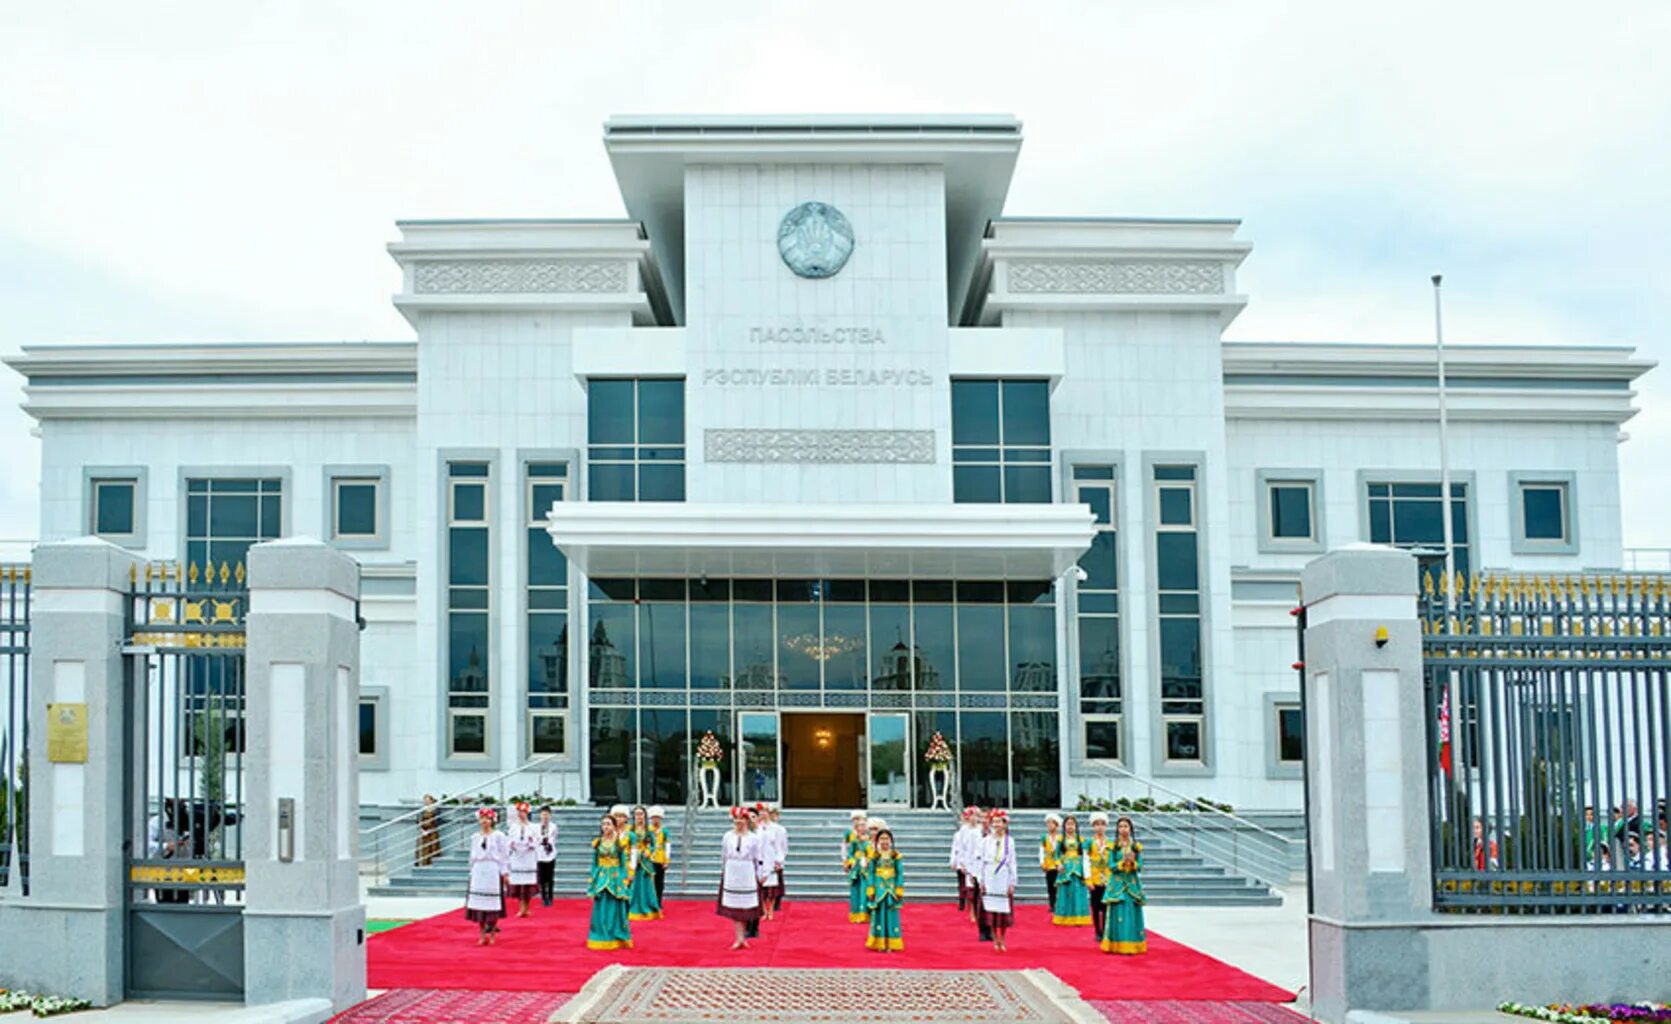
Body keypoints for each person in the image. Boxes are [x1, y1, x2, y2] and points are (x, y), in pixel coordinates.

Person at [718, 807, 763, 950]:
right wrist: (724, 871)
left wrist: (760, 873)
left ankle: (743, 936)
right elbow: (724, 855)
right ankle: (739, 937)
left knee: (745, 905)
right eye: (736, 819)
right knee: (735, 906)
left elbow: (758, 857)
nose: (738, 822)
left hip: (747, 870)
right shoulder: (727, 836)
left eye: (742, 819)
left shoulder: (753, 838)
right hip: (732, 869)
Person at [587, 815, 634, 950]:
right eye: (603, 824)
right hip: (601, 876)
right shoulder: (597, 843)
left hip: (615, 877)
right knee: (601, 907)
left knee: (615, 907)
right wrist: (593, 878)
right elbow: (594, 862)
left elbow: (622, 863)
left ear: (614, 826)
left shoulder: (619, 843)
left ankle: (616, 935)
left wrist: (624, 878)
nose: (606, 827)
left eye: (608, 824)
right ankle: (600, 934)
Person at [1101, 815, 1146, 955]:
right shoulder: (1113, 846)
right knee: (1117, 912)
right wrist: (1121, 864)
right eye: (1120, 826)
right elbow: (1110, 865)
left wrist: (1133, 863)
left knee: (1131, 912)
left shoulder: (1135, 847)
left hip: (1131, 884)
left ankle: (1133, 944)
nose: (1123, 829)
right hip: (1117, 884)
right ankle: (1115, 944)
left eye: (1126, 826)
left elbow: (1140, 866)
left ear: (1130, 829)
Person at [466, 808, 510, 946]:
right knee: (479, 904)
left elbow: (504, 856)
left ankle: (491, 933)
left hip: (492, 869)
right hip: (479, 869)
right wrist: (471, 872)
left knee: (492, 904)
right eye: (482, 818)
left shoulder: (499, 836)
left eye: (487, 818)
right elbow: (472, 856)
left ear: (492, 820)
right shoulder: (475, 837)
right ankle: (481, 934)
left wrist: (505, 873)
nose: (485, 821)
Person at [977, 809, 1017, 952]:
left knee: (1003, 910)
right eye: (994, 822)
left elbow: (1012, 862)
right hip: (989, 875)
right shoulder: (986, 841)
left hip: (1003, 875)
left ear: (1005, 824)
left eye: (999, 822)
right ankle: (995, 938)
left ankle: (1003, 938)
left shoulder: (1009, 841)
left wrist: (1012, 882)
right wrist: (980, 880)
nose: (996, 825)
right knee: (991, 909)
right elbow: (981, 861)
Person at [864, 827, 904, 952]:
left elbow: (900, 873)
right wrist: (871, 889)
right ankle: (879, 943)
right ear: (877, 841)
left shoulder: (896, 855)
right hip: (879, 889)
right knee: (879, 915)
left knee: (891, 915)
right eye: (881, 838)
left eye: (887, 838)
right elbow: (870, 873)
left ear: (891, 840)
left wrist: (899, 889)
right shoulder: (874, 856)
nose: (884, 841)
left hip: (891, 890)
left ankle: (892, 943)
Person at [1052, 814, 1091, 926]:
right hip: (1065, 868)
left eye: (1072, 824)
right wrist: (1058, 864)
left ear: (1076, 826)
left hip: (1078, 868)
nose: (1070, 827)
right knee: (1065, 892)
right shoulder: (1060, 839)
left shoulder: (1081, 840)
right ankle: (1064, 917)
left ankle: (1079, 918)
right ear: (1064, 826)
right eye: (1068, 824)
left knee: (1078, 892)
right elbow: (1056, 855)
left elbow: (1085, 855)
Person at [505, 802, 541, 918]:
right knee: (519, 884)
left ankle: (527, 907)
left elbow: (538, 841)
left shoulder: (533, 827)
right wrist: (512, 844)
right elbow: (508, 840)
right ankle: (521, 907)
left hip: (528, 857)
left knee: (527, 884)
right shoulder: (513, 827)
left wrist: (531, 842)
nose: (521, 814)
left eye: (524, 812)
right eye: (520, 812)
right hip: (517, 857)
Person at [627, 805, 662, 921]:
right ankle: (632, 907)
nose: (639, 817)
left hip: (645, 862)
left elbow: (654, 844)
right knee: (633, 885)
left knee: (646, 885)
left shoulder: (649, 830)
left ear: (645, 816)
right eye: (636, 814)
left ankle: (648, 907)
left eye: (641, 814)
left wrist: (649, 851)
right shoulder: (629, 830)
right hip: (633, 860)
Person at [951, 806, 980, 922]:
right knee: (970, 890)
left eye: (976, 816)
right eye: (971, 816)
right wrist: (960, 862)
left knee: (979, 890)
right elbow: (960, 848)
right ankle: (971, 912)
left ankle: (979, 912)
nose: (973, 818)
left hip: (979, 862)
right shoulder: (963, 831)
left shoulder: (980, 830)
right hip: (968, 861)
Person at [1086, 812, 1112, 939]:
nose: (1100, 827)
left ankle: (1107, 929)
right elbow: (1085, 861)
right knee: (1096, 906)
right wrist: (1088, 879)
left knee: (1107, 906)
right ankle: (1098, 930)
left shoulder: (1111, 843)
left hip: (1108, 878)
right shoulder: (1089, 842)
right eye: (1096, 824)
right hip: (1094, 877)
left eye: (1102, 824)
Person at [844, 810, 870, 923]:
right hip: (855, 867)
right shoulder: (851, 836)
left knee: (865, 891)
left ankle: (864, 914)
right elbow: (848, 851)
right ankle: (855, 913)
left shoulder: (869, 839)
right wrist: (849, 861)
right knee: (855, 891)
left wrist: (868, 860)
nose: (861, 827)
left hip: (865, 867)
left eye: (863, 825)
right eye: (859, 824)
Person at [764, 804, 788, 914]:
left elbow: (783, 845)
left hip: (776, 856)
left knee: (777, 882)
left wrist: (780, 858)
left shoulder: (780, 829)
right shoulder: (762, 828)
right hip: (765, 858)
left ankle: (776, 902)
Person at [535, 806, 559, 908]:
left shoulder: (553, 826)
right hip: (540, 853)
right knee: (541, 877)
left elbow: (553, 838)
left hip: (550, 853)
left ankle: (550, 896)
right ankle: (543, 897)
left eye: (547, 814)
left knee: (550, 877)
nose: (545, 817)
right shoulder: (536, 827)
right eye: (543, 814)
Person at [1039, 813, 1063, 910]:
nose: (1049, 825)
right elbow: (1041, 850)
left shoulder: (1061, 837)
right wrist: (1042, 862)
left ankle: (1060, 903)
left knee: (1060, 886)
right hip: (1049, 864)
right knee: (1050, 885)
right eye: (1048, 823)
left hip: (1059, 864)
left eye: (1051, 823)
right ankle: (1052, 904)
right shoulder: (1045, 837)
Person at [647, 806, 670, 906]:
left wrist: (667, 860)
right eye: (653, 818)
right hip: (649, 858)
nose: (655, 820)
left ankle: (658, 901)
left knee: (659, 882)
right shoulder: (647, 830)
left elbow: (668, 846)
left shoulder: (664, 831)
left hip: (660, 858)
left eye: (657, 817)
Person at [416, 794, 442, 867]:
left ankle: (433, 864)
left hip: (432, 831)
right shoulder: (422, 810)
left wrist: (430, 830)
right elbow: (418, 821)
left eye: (428, 800)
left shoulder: (436, 809)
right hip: (423, 832)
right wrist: (422, 830)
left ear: (431, 800)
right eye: (425, 800)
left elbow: (438, 821)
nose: (426, 802)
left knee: (433, 847)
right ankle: (423, 864)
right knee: (423, 849)